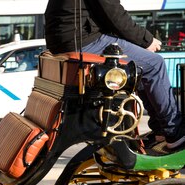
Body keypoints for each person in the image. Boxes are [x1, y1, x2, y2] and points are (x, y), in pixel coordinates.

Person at [45, 0, 185, 150]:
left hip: (63, 41)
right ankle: (174, 133)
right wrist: (146, 40)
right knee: (155, 64)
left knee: (141, 67)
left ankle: (160, 130)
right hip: (81, 41)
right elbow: (114, 14)